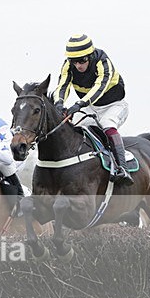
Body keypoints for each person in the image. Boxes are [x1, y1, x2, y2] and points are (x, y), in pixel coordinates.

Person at [54, 34, 133, 186]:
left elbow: (99, 87)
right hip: (91, 107)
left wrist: (79, 104)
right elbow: (62, 85)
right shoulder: (68, 66)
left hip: (114, 105)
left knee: (107, 124)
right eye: (74, 61)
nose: (78, 66)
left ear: (90, 56)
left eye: (82, 60)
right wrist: (59, 103)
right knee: (73, 127)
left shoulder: (103, 62)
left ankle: (122, 168)